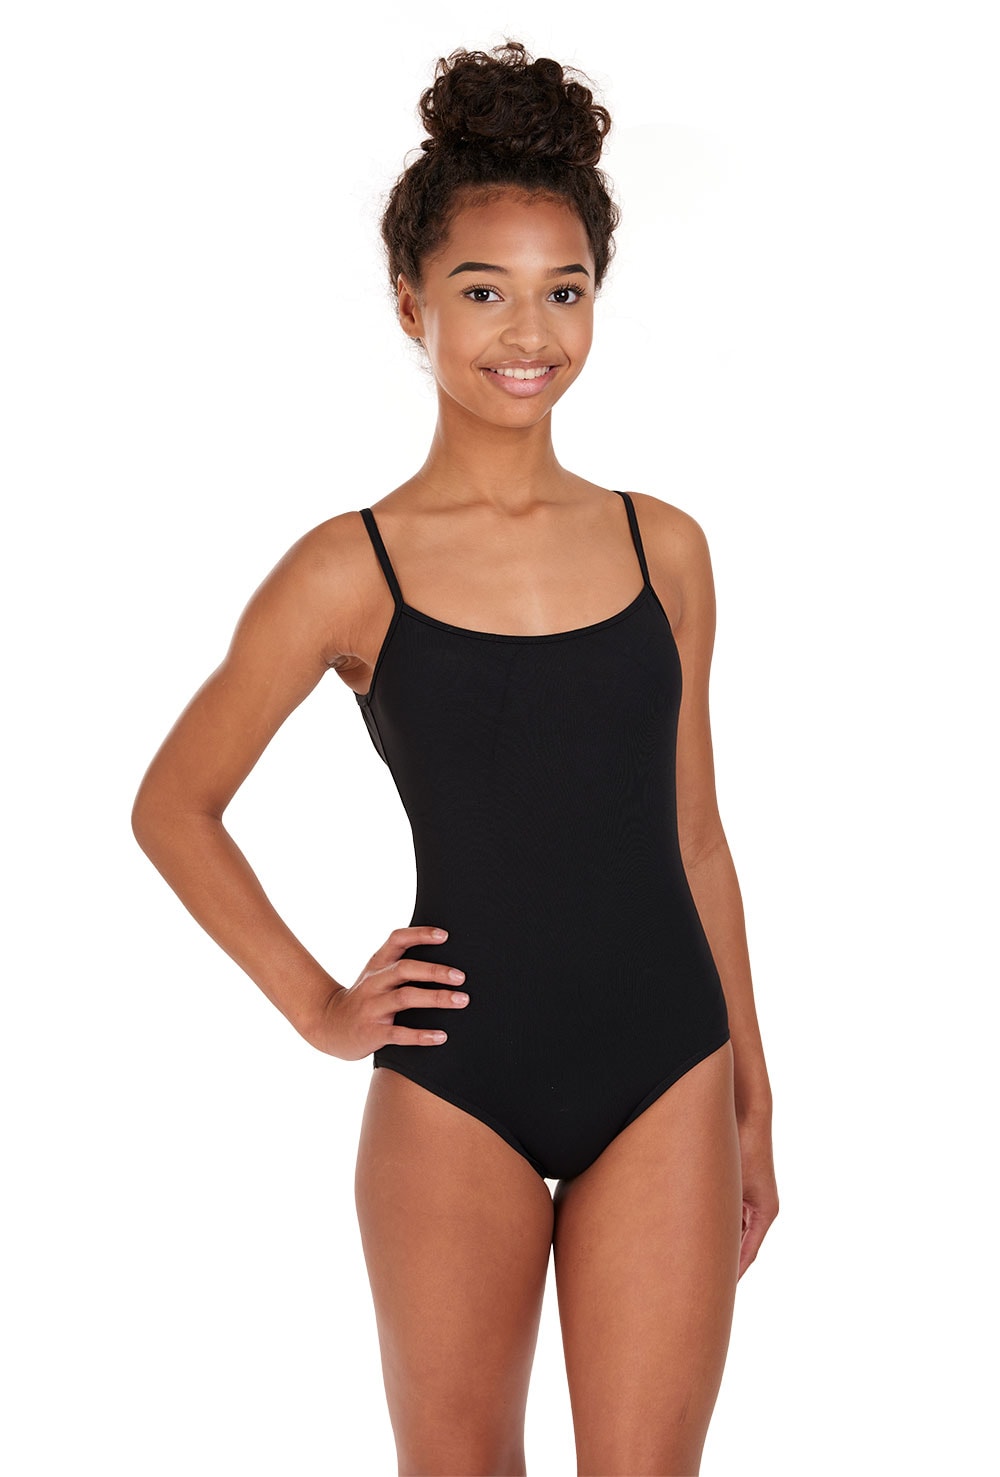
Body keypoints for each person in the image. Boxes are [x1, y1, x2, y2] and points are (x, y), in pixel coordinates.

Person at [132, 40, 778, 1477]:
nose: (527, 331)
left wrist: (754, 1088)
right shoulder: (346, 568)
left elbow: (696, 836)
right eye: (484, 291)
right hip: (454, 1078)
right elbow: (174, 805)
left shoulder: (664, 547)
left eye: (565, 290)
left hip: (668, 1066)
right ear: (410, 300)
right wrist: (319, 1006)